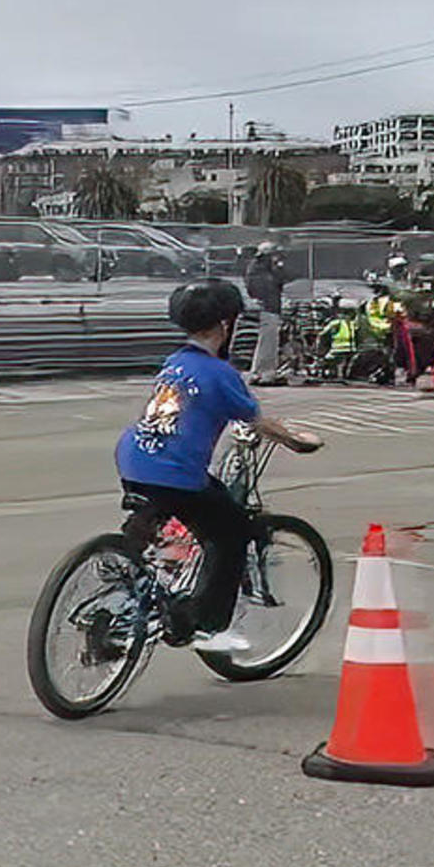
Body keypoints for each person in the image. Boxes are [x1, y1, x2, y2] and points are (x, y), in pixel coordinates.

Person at [116, 279, 319, 652]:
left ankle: (131, 586)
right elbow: (259, 422)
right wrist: (298, 441)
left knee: (168, 522)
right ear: (227, 325)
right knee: (230, 532)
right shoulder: (220, 374)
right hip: (175, 475)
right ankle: (208, 626)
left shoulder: (175, 362)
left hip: (134, 459)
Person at [242, 241, 292, 386]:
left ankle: (259, 371)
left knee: (268, 341)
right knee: (268, 341)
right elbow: (273, 284)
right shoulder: (260, 271)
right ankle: (265, 372)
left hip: (269, 308)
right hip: (268, 309)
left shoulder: (261, 269)